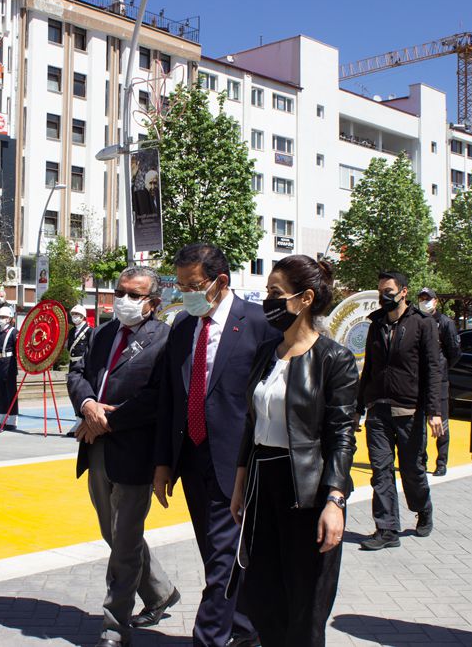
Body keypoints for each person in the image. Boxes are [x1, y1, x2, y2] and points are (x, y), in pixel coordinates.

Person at [228, 256, 358, 646]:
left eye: (275, 293)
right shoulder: (267, 352)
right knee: (262, 596)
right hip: (262, 483)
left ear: (305, 299)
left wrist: (335, 499)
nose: (267, 301)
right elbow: (251, 423)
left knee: (305, 602)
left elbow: (342, 436)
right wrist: (240, 483)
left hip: (307, 489)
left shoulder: (334, 359)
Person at [154, 243, 278, 647]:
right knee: (214, 553)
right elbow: (171, 398)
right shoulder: (183, 327)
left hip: (238, 461)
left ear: (221, 282)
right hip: (192, 459)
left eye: (193, 286)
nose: (185, 294)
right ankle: (245, 629)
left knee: (223, 561)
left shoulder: (259, 323)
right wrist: (163, 464)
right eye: (180, 285)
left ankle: (209, 638)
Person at [67, 267, 179, 647]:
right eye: (120, 292)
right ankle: (161, 591)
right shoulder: (102, 333)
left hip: (134, 454)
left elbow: (156, 397)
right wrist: (86, 406)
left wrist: (106, 421)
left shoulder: (166, 340)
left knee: (126, 542)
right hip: (96, 448)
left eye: (134, 295)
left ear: (153, 302)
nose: (124, 300)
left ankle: (115, 625)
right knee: (111, 533)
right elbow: (77, 371)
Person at [356, 271, 443, 551]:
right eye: (381, 290)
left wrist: (434, 411)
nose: (385, 295)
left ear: (404, 291)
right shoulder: (376, 325)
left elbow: (432, 370)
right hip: (378, 410)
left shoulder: (422, 325)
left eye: (390, 290)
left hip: (409, 411)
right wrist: (359, 406)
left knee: (412, 471)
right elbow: (368, 368)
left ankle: (423, 507)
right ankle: (387, 529)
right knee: (381, 471)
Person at [417, 287, 461, 476]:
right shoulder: (416, 321)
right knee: (419, 426)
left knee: (440, 423)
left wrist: (441, 368)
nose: (424, 301)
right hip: (419, 380)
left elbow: (454, 352)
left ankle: (441, 462)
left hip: (439, 381)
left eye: (428, 299)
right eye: (421, 298)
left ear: (435, 302)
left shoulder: (445, 323)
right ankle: (421, 461)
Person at [0, 306, 19, 429]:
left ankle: (12, 417)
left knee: (11, 391)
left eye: (4, 317)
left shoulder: (13, 332)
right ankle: (1, 414)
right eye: (0, 317)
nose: (1, 319)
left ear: (9, 318)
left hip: (10, 362)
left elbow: (17, 349)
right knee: (1, 390)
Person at [67, 304, 92, 371]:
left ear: (82, 316)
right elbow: (69, 348)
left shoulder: (89, 331)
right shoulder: (71, 331)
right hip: (72, 365)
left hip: (83, 365)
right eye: (73, 314)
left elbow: (92, 350)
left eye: (77, 314)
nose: (74, 316)